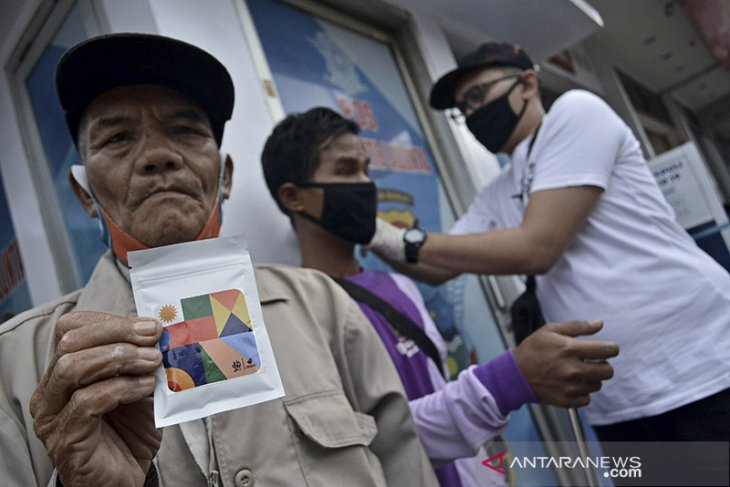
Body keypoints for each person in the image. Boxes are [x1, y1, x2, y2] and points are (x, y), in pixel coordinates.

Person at [0, 33, 438, 487]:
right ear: (83, 193)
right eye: (119, 137)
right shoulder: (13, 366)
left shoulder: (324, 308)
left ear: (225, 176)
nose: (157, 156)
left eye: (185, 130)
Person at [367, 41, 730, 446]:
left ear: (527, 83)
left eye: (476, 96)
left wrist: (402, 238)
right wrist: (370, 231)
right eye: (461, 109)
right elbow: (437, 264)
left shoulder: (577, 113)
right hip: (618, 397)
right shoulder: (496, 191)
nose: (471, 114)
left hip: (704, 363)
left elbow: (538, 247)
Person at [260, 107, 619, 486]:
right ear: (293, 197)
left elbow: (439, 388)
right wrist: (507, 381)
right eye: (347, 171)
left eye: (367, 170)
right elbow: (363, 444)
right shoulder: (299, 319)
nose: (365, 184)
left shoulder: (401, 287)